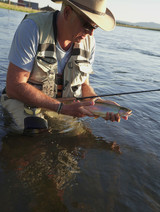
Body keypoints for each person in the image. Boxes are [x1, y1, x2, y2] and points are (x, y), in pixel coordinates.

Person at [1, 0, 123, 134]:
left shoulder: (89, 41)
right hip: (23, 101)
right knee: (35, 129)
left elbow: (84, 86)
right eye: (87, 25)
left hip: (63, 106)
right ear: (67, 12)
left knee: (79, 136)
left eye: (95, 27)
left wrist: (101, 104)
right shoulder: (32, 28)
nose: (91, 33)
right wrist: (61, 108)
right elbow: (14, 86)